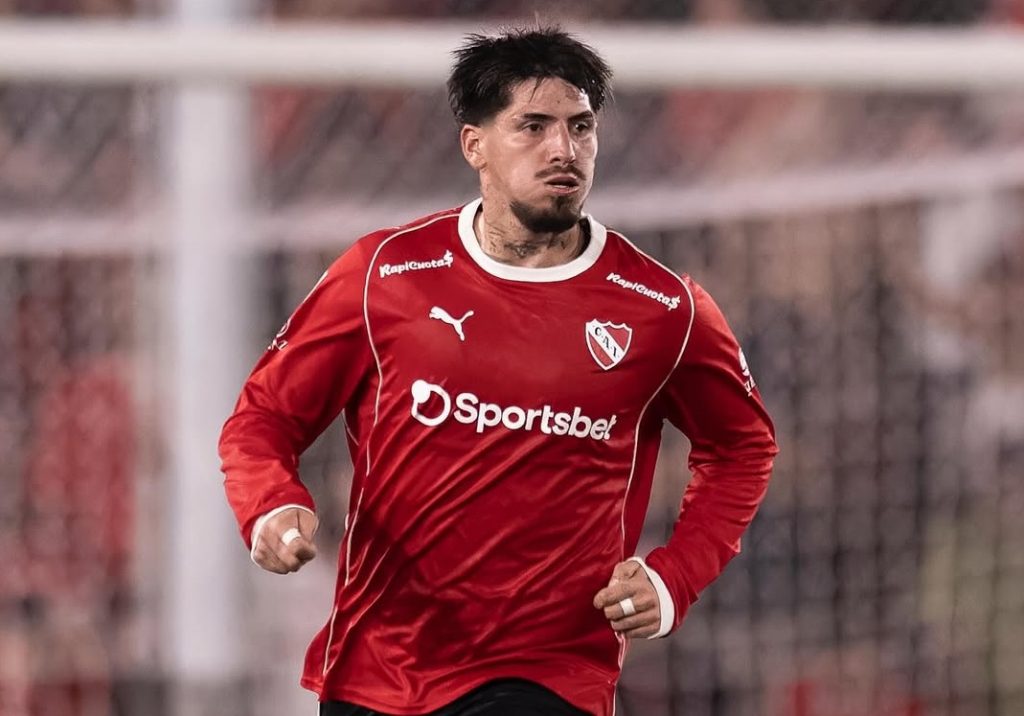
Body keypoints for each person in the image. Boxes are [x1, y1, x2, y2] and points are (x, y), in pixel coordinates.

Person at [219, 27, 778, 716]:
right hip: (381, 667)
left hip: (550, 676)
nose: (563, 149)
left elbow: (742, 449)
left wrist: (675, 576)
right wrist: (270, 504)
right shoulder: (383, 275)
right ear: (474, 145)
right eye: (533, 127)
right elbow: (264, 417)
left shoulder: (664, 308)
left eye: (581, 127)